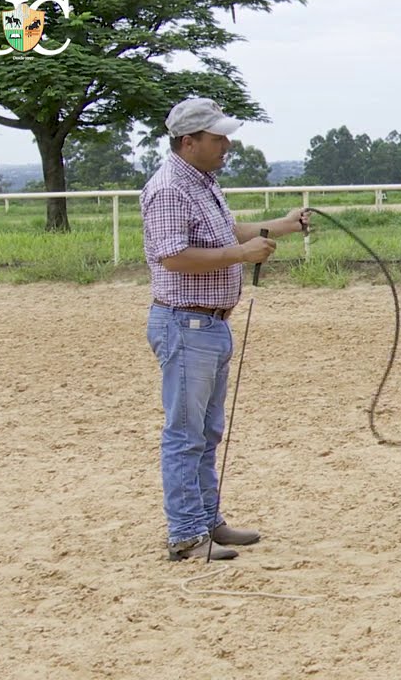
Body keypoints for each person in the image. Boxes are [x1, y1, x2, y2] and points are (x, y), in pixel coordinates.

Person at [140, 97, 309, 561]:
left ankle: (206, 521)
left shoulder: (202, 183)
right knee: (186, 432)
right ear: (188, 141)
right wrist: (242, 256)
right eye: (217, 138)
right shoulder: (170, 188)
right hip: (186, 323)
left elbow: (225, 231)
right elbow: (173, 256)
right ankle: (187, 534)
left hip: (206, 325)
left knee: (206, 430)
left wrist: (280, 227)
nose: (227, 145)